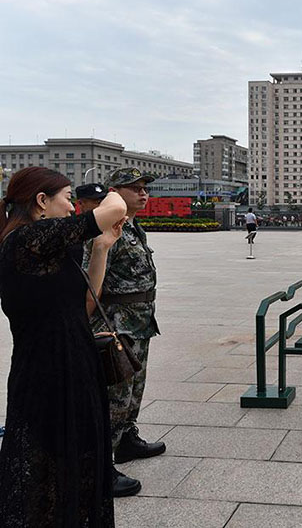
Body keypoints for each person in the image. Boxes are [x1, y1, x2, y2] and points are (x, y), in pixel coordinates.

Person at [0, 166, 127, 527]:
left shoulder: (50, 248)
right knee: (48, 468)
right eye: (68, 198)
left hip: (76, 365)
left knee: (77, 464)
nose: (74, 208)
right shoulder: (25, 241)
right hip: (46, 373)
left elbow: (84, 306)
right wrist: (114, 194)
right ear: (41, 201)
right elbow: (116, 209)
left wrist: (101, 249)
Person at [84, 167, 166, 498]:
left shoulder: (133, 226)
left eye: (145, 188)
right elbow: (92, 276)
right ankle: (100, 466)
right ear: (116, 192)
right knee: (115, 396)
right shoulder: (106, 226)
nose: (143, 193)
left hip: (140, 320)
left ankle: (127, 440)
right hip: (116, 322)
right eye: (135, 188)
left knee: (134, 390)